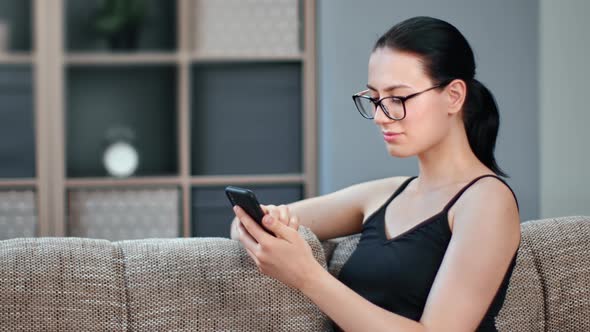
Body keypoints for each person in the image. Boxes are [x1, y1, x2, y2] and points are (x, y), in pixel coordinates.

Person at [229, 16, 520, 332]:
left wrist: (306, 275)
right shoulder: (382, 195)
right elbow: (241, 222)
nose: (380, 117)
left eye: (397, 99)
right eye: (375, 99)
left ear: (453, 96)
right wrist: (267, 225)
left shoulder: (487, 201)